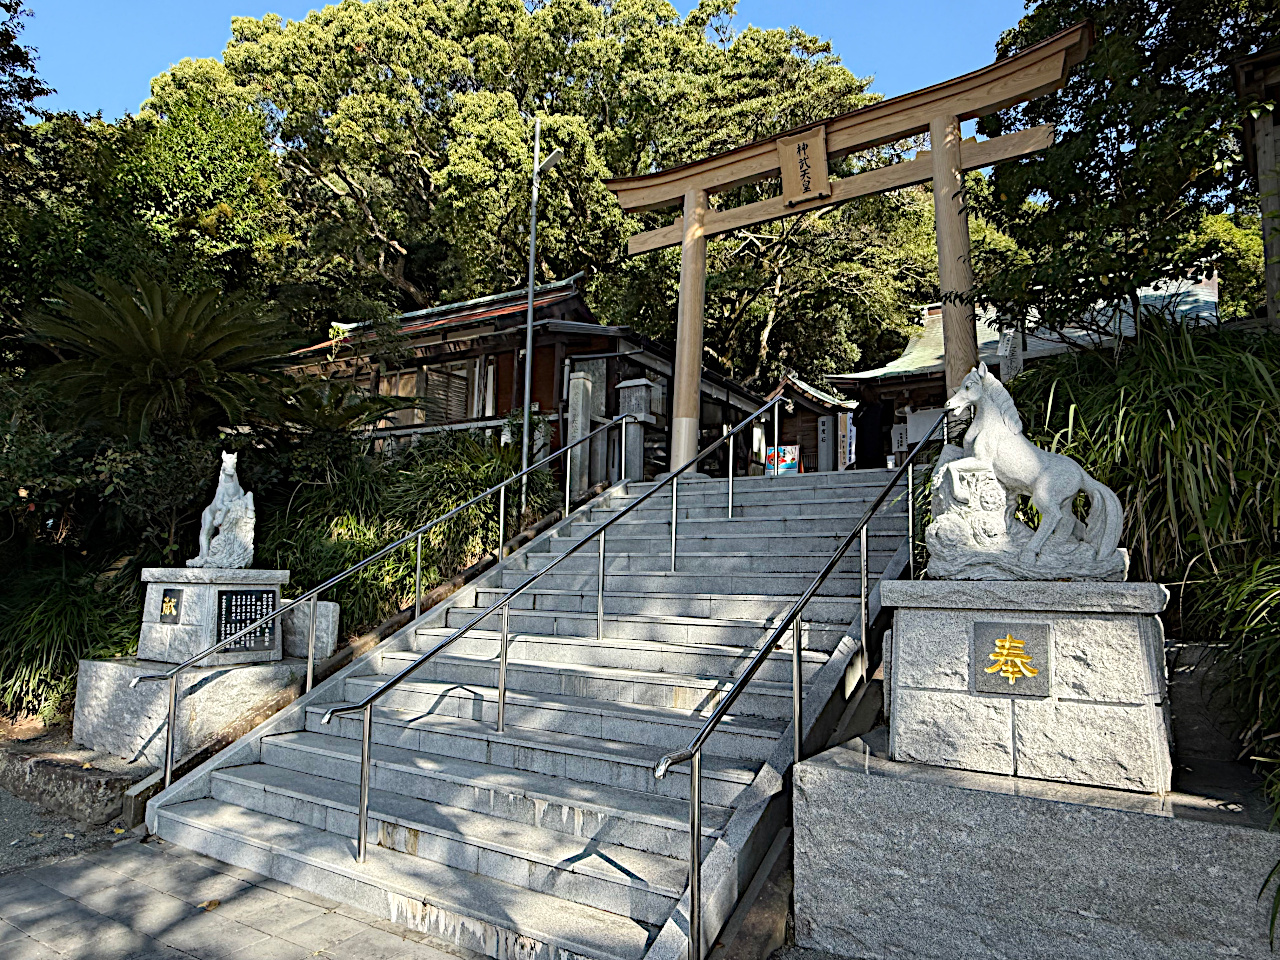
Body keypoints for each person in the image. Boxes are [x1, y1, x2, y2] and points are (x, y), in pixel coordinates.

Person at [852, 384, 886, 469]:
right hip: (877, 443)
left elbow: (854, 422)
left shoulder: (861, 408)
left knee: (864, 466)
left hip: (863, 444)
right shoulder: (881, 407)